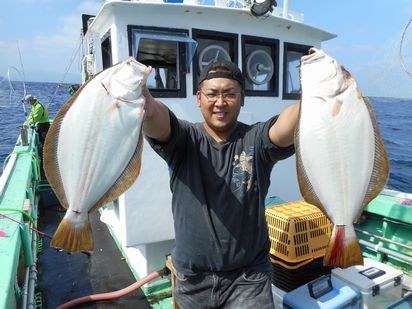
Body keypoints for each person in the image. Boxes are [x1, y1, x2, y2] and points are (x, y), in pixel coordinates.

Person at [143, 60, 299, 309]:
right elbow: (159, 122)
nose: (220, 102)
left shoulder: (256, 140)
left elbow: (284, 127)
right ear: (198, 97)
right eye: (212, 94)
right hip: (193, 279)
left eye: (229, 94)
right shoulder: (185, 139)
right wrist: (147, 105)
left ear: (242, 98)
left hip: (249, 279)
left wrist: (312, 99)